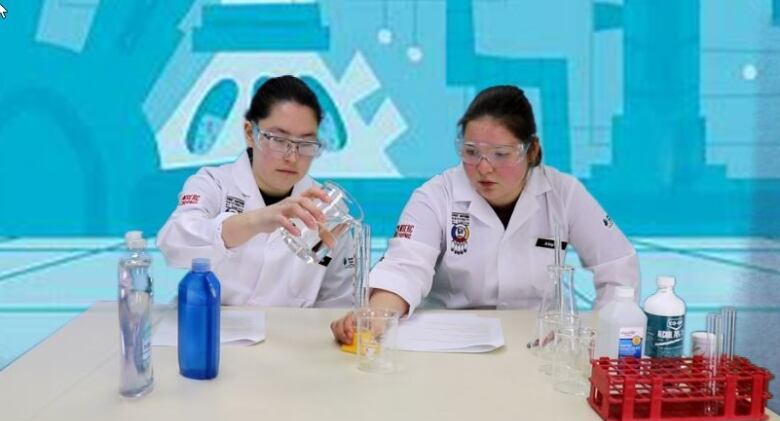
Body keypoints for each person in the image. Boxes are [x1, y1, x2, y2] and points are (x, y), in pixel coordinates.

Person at [331, 85, 640, 343]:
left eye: (501, 155)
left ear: (531, 151)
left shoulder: (563, 192)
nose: (483, 168)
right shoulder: (435, 196)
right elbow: (404, 268)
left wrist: (600, 338)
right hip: (450, 341)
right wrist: (374, 315)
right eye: (471, 152)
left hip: (540, 342)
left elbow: (617, 265)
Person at [158, 75, 354, 307]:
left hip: (288, 336)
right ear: (250, 133)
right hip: (208, 327)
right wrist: (258, 220)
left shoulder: (328, 208)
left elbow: (338, 299)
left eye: (306, 144)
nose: (292, 157)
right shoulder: (213, 183)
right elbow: (173, 241)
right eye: (278, 140)